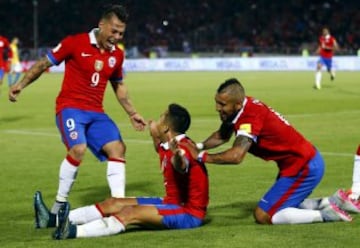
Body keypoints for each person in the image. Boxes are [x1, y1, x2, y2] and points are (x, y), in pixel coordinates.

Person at [9, 4, 146, 223]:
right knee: (78, 148)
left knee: (118, 148)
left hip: (96, 113)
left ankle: (118, 204)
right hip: (70, 108)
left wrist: (132, 112)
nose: (117, 36)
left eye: (121, 33)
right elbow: (44, 63)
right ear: (101, 25)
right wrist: (20, 84)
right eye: (113, 31)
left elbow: (118, 85)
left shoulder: (117, 55)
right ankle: (56, 209)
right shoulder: (74, 42)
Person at [33, 103, 209, 239]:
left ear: (166, 128)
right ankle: (51, 220)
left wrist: (177, 155)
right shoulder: (165, 144)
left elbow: (181, 164)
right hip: (171, 201)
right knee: (114, 203)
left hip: (188, 213)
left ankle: (72, 232)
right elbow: (161, 145)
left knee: (128, 213)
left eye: (161, 118)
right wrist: (153, 132)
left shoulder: (183, 148)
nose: (155, 120)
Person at [190, 78, 353, 225]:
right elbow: (221, 136)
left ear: (237, 104)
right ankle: (335, 201)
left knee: (264, 215)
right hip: (295, 163)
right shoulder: (240, 108)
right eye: (217, 102)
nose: (217, 108)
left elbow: (236, 156)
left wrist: (200, 157)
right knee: (283, 204)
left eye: (222, 104)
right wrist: (198, 146)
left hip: (304, 166)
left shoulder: (250, 117)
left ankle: (328, 215)